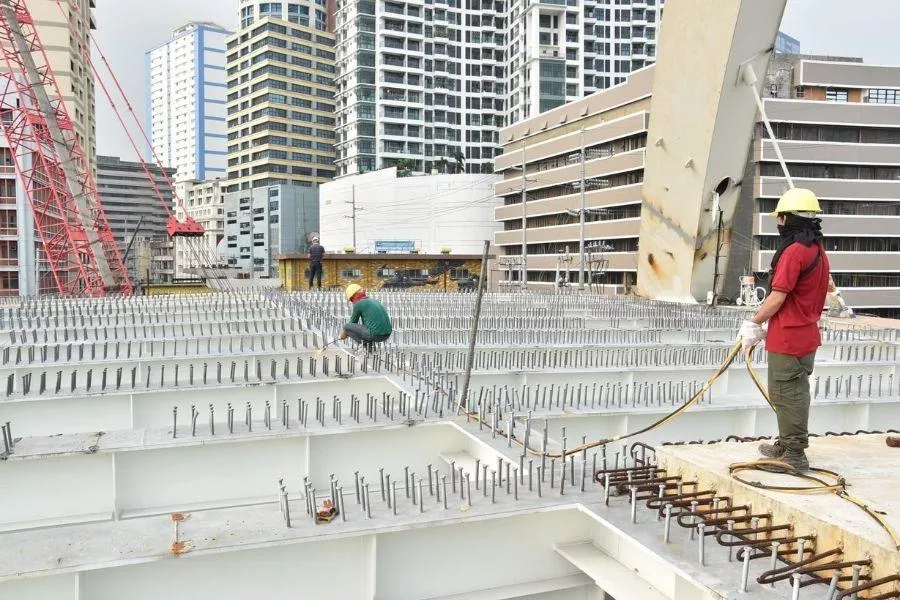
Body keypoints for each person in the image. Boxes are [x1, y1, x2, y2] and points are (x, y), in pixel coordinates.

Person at [739, 188, 830, 471]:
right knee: (792, 392)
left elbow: (777, 296)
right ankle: (787, 443)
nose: (778, 223)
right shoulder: (817, 250)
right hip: (803, 334)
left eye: (780, 218)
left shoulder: (794, 252)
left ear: (789, 219)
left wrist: (753, 323)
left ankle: (794, 454)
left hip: (789, 339)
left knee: (787, 394)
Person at [338, 284, 392, 351]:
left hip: (375, 335)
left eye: (352, 299)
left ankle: (368, 347)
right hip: (387, 334)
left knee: (346, 326)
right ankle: (371, 349)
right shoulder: (374, 301)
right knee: (366, 329)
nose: (352, 302)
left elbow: (352, 323)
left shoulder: (359, 304)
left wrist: (344, 333)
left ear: (354, 296)